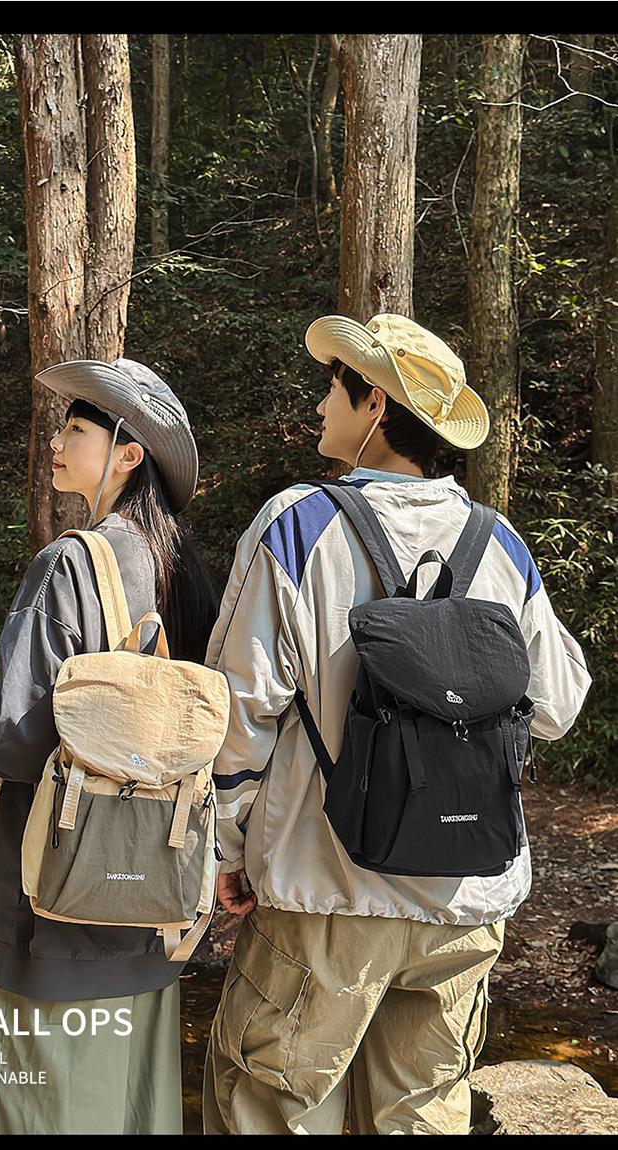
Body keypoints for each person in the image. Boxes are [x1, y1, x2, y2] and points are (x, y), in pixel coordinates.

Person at [202, 313, 592, 1135]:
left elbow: (240, 709)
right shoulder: (500, 541)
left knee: (274, 1109)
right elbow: (558, 704)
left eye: (332, 388)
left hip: (327, 889)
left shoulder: (298, 524)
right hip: (466, 900)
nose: (320, 406)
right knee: (422, 1119)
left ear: (375, 403)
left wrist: (226, 849)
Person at [0, 357, 218, 1135]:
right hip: (156, 900)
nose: (55, 443)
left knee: (24, 1108)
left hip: (54, 908)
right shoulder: (184, 574)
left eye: (76, 429)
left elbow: (10, 738)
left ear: (128, 454)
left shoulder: (71, 563)